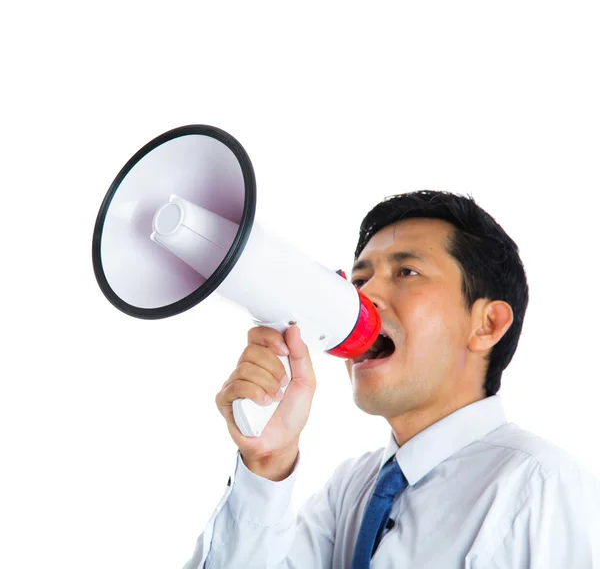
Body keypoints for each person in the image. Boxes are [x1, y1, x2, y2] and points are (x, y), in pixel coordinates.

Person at [183, 190, 600, 568]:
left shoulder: (540, 485)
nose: (365, 297)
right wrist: (267, 465)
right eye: (360, 280)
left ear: (487, 324)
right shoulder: (349, 491)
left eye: (407, 272)